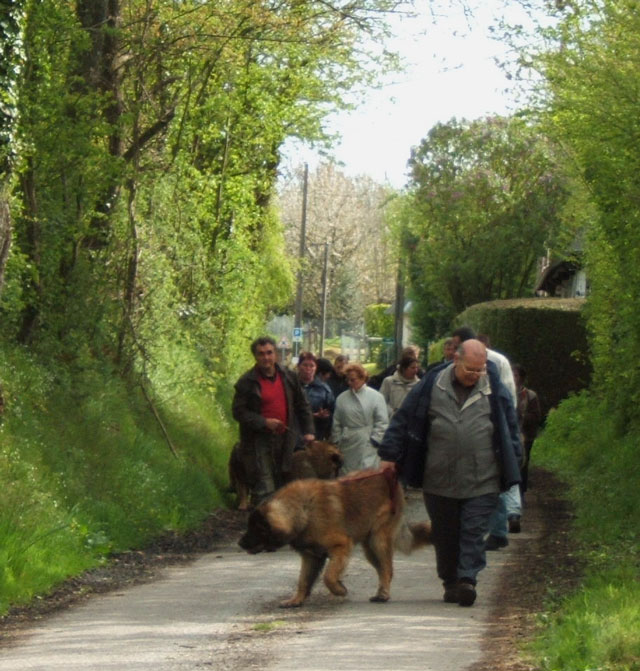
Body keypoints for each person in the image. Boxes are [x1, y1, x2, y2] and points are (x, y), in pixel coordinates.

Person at [378, 339, 522, 607]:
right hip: (439, 477)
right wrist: (389, 454)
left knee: (473, 530)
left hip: (482, 477)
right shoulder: (432, 384)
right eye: (470, 370)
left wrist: (516, 458)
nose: (476, 375)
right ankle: (450, 580)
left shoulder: (493, 387)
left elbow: (509, 425)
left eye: (480, 370)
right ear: (456, 360)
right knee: (445, 534)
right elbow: (404, 418)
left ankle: (467, 579)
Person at [452, 326, 523, 547]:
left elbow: (506, 393)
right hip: (493, 422)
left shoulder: (493, 362)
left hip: (494, 424)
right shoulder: (497, 359)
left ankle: (499, 528)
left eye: (456, 345)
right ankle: (496, 527)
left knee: (495, 478)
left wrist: (506, 427)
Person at [232, 336, 315, 506]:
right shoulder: (247, 382)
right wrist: (263, 422)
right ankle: (264, 522)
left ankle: (274, 522)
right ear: (255, 356)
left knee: (282, 482)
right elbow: (238, 411)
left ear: (275, 354)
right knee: (265, 483)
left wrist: (309, 431)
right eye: (261, 354)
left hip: (286, 437)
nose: (266, 358)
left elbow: (302, 405)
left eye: (269, 353)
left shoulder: (289, 377)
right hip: (258, 439)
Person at [331, 363, 389, 474]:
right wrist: (337, 440)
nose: (349, 383)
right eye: (347, 380)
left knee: (365, 475)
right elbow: (337, 422)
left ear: (363, 378)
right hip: (347, 443)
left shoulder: (376, 397)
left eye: (353, 380)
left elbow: (382, 421)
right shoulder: (341, 398)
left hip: (367, 442)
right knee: (346, 474)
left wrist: (375, 440)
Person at [512, 363, 542, 497]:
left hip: (526, 435)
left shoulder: (530, 395)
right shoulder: (505, 393)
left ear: (521, 378)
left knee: (523, 462)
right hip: (510, 434)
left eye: (516, 375)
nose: (513, 377)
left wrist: (521, 417)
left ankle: (522, 491)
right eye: (511, 374)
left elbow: (536, 416)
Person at [296, 351, 335, 441]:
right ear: (298, 366)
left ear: (316, 368)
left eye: (311, 366)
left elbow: (332, 413)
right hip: (292, 436)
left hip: (316, 436)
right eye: (305, 365)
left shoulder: (324, 390)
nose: (308, 369)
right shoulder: (290, 385)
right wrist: (311, 415)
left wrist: (324, 416)